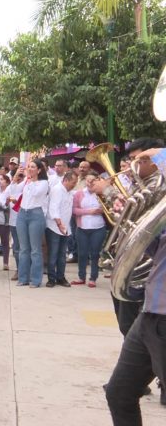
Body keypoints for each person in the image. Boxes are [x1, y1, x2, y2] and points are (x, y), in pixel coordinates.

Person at [105, 146, 166, 423]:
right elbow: (158, 253)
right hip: (152, 311)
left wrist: (158, 156)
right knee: (119, 392)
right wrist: (133, 225)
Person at [16, 160, 49, 287]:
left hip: (35, 214)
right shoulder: (26, 181)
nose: (29, 169)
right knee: (23, 249)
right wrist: (19, 178)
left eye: (33, 167)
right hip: (22, 213)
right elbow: (14, 190)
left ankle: (35, 279)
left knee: (35, 249)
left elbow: (35, 193)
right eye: (28, 167)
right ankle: (23, 278)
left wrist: (29, 181)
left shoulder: (43, 183)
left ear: (39, 170)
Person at [71, 170, 107, 288]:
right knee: (82, 253)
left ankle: (93, 277)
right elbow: (74, 210)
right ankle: (81, 276)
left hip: (98, 227)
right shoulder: (79, 194)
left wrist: (102, 210)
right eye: (88, 180)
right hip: (82, 227)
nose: (90, 183)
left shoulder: (102, 193)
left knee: (95, 253)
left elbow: (109, 207)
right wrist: (89, 211)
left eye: (93, 180)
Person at [45, 172, 78, 287]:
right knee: (53, 254)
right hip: (54, 227)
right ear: (66, 180)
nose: (74, 185)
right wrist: (59, 223)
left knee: (62, 254)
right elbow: (53, 208)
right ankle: (51, 278)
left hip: (65, 228)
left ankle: (60, 277)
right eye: (73, 183)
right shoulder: (57, 190)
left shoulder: (69, 192)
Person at [6, 169, 26, 281]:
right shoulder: (11, 187)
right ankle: (19, 270)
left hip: (24, 221)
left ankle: (25, 270)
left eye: (21, 176)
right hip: (13, 221)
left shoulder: (26, 186)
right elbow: (7, 197)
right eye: (17, 176)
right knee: (16, 248)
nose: (19, 178)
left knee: (25, 248)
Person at [0, 174, 13, 273]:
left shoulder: (8, 192)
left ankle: (5, 263)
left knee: (5, 242)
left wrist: (0, 204)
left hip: (4, 220)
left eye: (2, 179)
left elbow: (6, 206)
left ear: (7, 182)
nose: (0, 181)